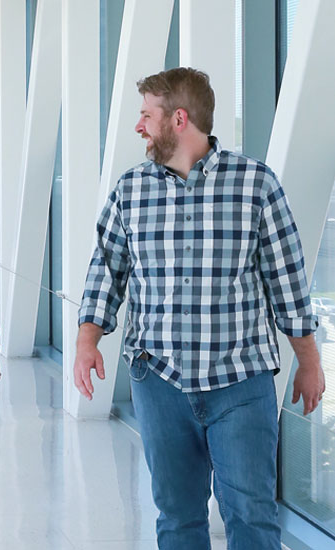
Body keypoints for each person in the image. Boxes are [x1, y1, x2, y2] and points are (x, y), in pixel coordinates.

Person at [74, 67, 326, 549]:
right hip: (160, 383)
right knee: (177, 517)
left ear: (179, 120)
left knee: (251, 516)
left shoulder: (256, 185)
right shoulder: (130, 191)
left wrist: (310, 363)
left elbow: (288, 282)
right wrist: (88, 341)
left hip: (242, 384)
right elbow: (106, 270)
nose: (139, 126)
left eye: (147, 114)